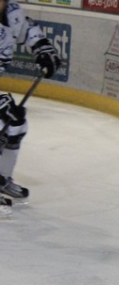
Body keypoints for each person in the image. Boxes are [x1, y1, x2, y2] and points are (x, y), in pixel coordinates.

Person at [0, 0, 61, 205]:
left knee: (16, 124)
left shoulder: (12, 11)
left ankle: (2, 178)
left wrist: (42, 48)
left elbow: (26, 28)